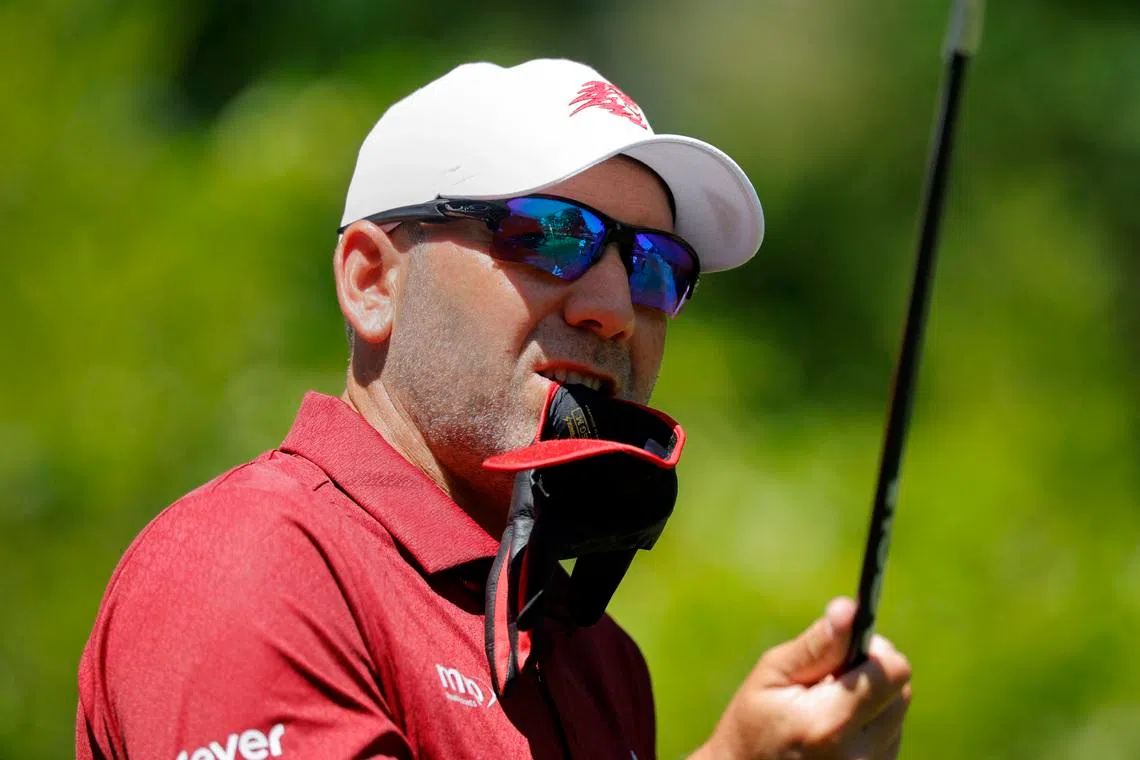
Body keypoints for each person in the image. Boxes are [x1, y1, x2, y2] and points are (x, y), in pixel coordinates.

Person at [77, 59, 911, 760]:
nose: (615, 307)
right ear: (372, 281)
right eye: (550, 233)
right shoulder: (254, 563)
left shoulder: (599, 659)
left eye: (656, 264)